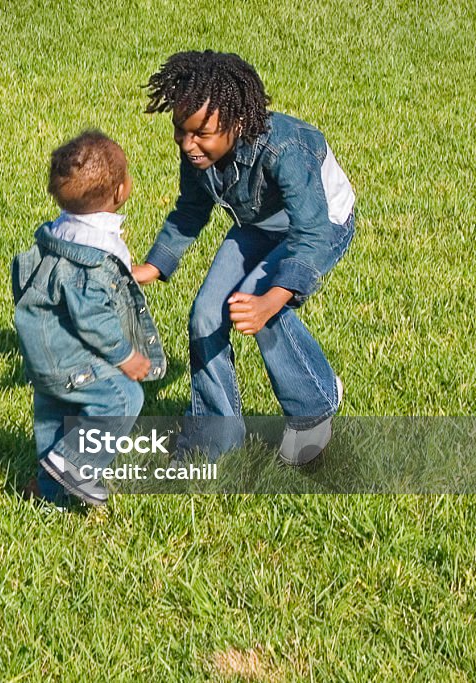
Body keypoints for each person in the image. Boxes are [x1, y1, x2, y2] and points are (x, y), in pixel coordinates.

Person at [132, 50, 355, 465]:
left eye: (200, 133)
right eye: (180, 131)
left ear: (236, 124)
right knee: (204, 315)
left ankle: (315, 406)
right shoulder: (198, 150)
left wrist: (270, 300)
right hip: (259, 226)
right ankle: (214, 433)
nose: (187, 143)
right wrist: (155, 264)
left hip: (320, 226)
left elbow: (311, 234)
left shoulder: (286, 148)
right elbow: (191, 209)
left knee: (258, 308)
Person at [13, 130, 166, 507]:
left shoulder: (58, 236)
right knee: (124, 399)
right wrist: (125, 356)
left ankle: (50, 496)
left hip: (45, 357)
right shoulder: (91, 259)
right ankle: (76, 464)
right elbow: (92, 318)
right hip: (75, 362)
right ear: (119, 192)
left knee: (55, 418)